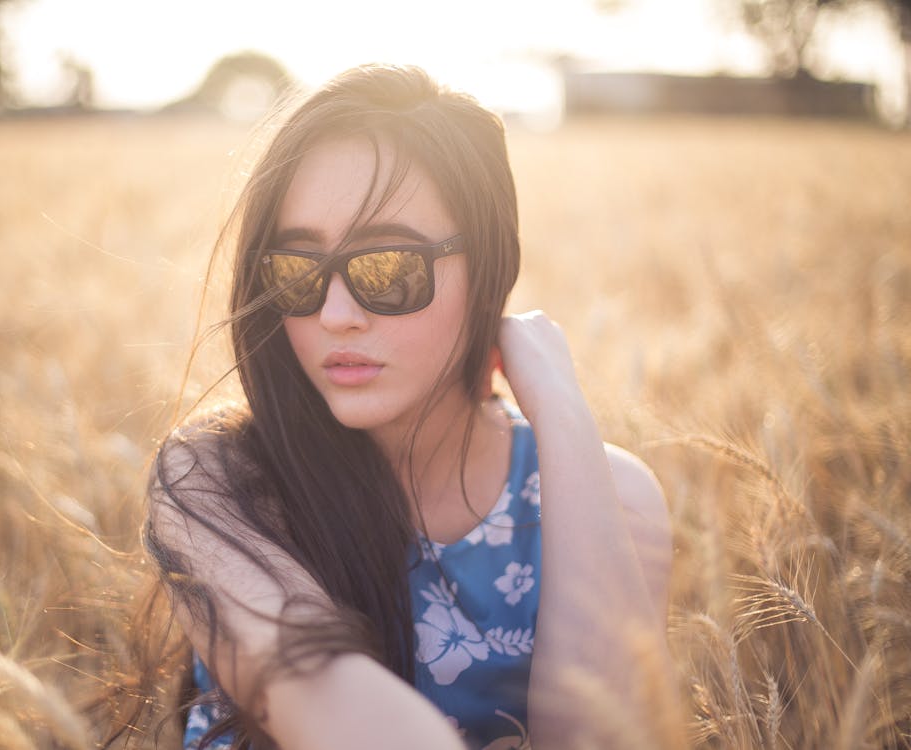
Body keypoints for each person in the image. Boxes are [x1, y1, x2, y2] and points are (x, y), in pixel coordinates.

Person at [146, 63, 673, 750]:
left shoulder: (613, 497)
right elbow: (330, 706)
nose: (335, 314)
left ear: (486, 270)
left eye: (385, 267)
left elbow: (605, 737)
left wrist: (564, 417)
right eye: (298, 271)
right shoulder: (217, 484)